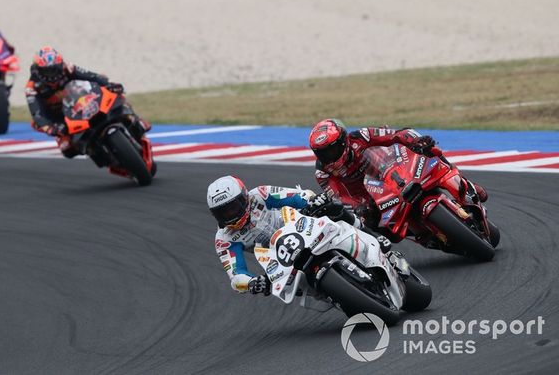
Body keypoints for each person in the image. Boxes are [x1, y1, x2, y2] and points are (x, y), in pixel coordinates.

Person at [208, 175, 380, 296]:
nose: (230, 215)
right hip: (281, 260)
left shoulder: (260, 195)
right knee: (294, 288)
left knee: (331, 207)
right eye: (222, 212)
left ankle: (370, 234)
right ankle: (339, 297)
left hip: (301, 226)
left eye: (232, 208)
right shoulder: (224, 239)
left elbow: (297, 196)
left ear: (244, 197)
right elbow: (236, 276)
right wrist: (253, 283)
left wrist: (312, 201)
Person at [308, 119, 488, 229]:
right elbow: (339, 198)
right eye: (322, 153)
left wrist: (416, 141)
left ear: (342, 141)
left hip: (392, 171)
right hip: (371, 201)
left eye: (330, 150)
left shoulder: (361, 136)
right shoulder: (323, 173)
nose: (327, 156)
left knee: (430, 150)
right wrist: (359, 207)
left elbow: (395, 135)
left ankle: (464, 182)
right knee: (365, 226)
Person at [25, 46, 128, 158]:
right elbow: (37, 114)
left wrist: (109, 84)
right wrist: (50, 128)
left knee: (116, 95)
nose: (52, 75)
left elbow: (92, 76)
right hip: (60, 117)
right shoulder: (32, 88)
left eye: (55, 69)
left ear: (60, 65)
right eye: (47, 71)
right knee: (67, 149)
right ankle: (95, 152)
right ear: (38, 70)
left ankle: (135, 119)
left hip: (81, 103)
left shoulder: (68, 68)